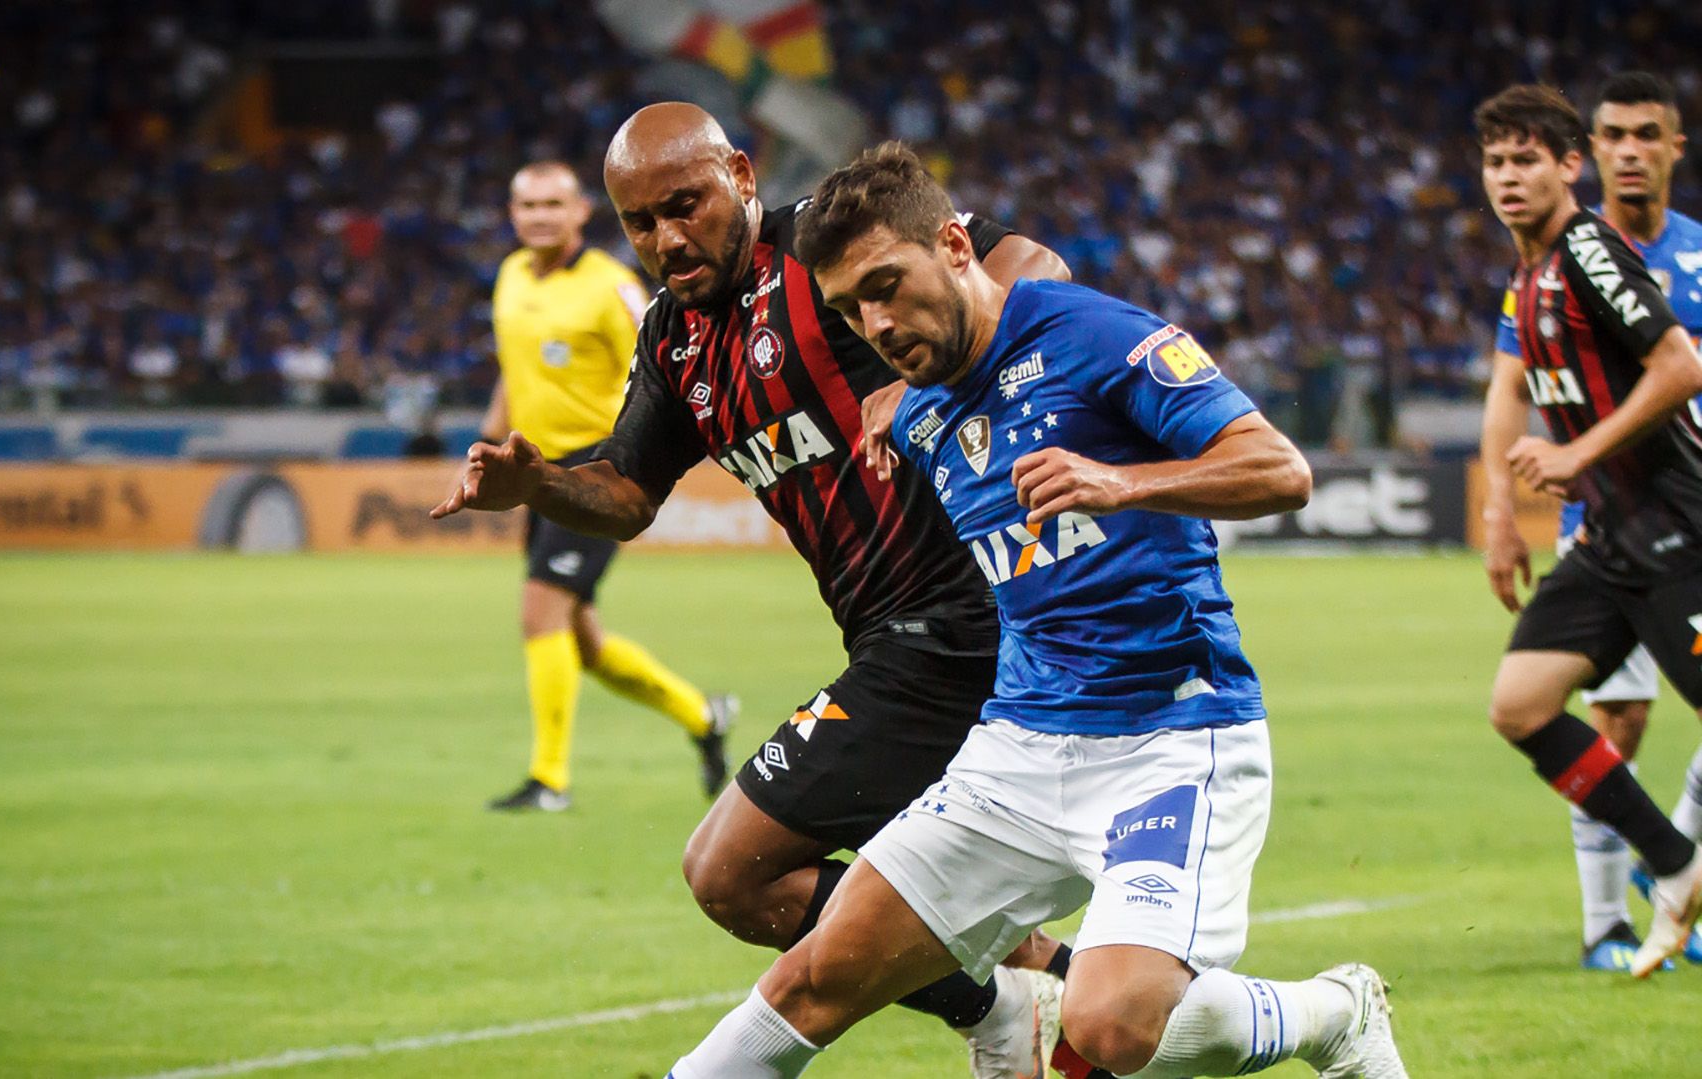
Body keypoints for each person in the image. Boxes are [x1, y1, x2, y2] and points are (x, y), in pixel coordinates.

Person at [660, 140, 1405, 1079]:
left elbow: (1280, 470)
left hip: (1168, 737)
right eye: (853, 308)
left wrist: (1121, 482)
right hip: (1014, 749)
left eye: (889, 285)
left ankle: (1332, 1012)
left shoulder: (1091, 334)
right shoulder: (922, 412)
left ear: (958, 247)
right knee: (818, 977)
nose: (878, 323)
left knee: (1113, 1023)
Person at [435, 105, 1090, 1078]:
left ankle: (1013, 1002)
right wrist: (539, 486)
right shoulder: (674, 341)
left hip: (961, 617)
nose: (666, 237)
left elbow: (1035, 266)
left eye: (684, 205)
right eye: (640, 222)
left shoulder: (828, 243)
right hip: (890, 639)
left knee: (732, 869)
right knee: (841, 887)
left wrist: (928, 380)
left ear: (740, 175)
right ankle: (1134, 998)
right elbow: (626, 491)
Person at [1475, 83, 1702, 980]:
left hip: (1679, 528)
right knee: (1521, 704)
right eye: (1496, 162)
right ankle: (1677, 864)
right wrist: (1504, 508)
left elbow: (1678, 366)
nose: (1509, 178)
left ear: (1572, 167)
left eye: (1528, 159)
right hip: (1612, 541)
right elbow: (1513, 394)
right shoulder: (1527, 277)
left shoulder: (1588, 251)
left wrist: (1579, 456)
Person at [481, 160, 734, 812]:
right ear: (514, 214)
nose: (538, 215)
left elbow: (665, 352)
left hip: (592, 468)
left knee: (541, 610)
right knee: (583, 643)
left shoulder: (611, 286)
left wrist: (649, 449)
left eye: (550, 204)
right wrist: (490, 435)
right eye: (526, 204)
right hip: (536, 471)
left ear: (578, 213)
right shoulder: (509, 277)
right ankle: (704, 717)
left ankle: (549, 780)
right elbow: (517, 366)